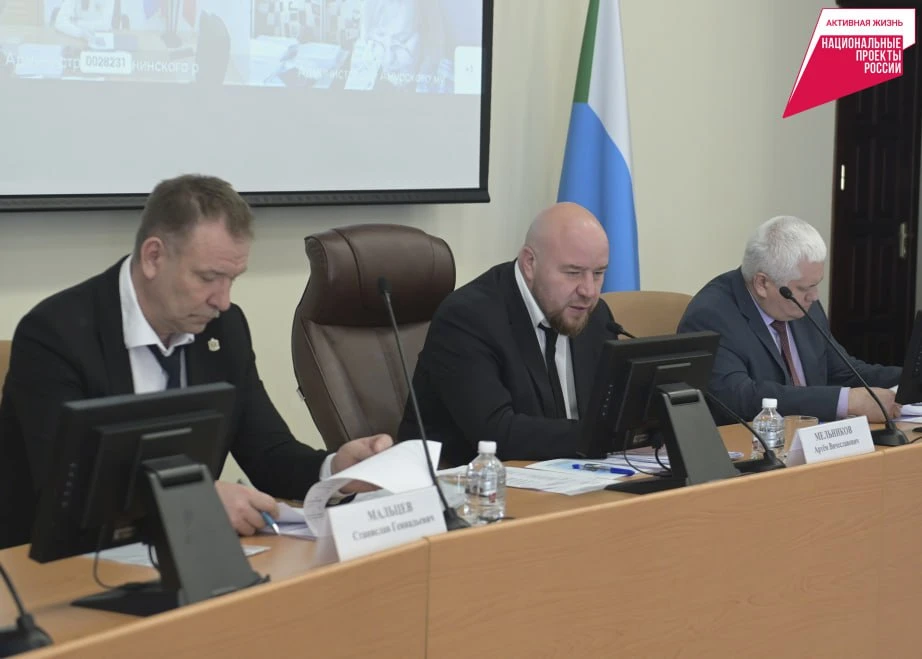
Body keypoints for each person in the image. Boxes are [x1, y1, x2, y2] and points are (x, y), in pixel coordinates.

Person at [0, 174, 392, 549]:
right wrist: (193, 498)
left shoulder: (224, 329)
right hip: (58, 563)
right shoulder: (56, 333)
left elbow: (269, 454)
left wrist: (336, 472)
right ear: (153, 257)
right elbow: (68, 484)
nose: (222, 300)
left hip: (180, 551)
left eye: (232, 279)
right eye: (208, 277)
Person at [397, 202, 619, 466]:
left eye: (598, 273)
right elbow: (496, 434)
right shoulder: (467, 317)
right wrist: (604, 435)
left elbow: (608, 410)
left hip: (568, 475)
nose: (589, 291)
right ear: (529, 263)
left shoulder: (595, 316)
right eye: (573, 273)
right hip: (464, 481)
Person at [677, 215, 901, 425]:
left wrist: (910, 380)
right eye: (804, 288)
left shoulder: (801, 303)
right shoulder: (711, 315)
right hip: (749, 443)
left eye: (816, 284)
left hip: (813, 438)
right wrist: (845, 402)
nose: (814, 296)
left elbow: (843, 372)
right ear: (762, 283)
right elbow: (739, 397)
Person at [53, 0, 118, 44]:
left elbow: (105, 25)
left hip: (102, 40)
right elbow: (59, 22)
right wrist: (81, 33)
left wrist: (77, 23)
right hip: (76, 41)